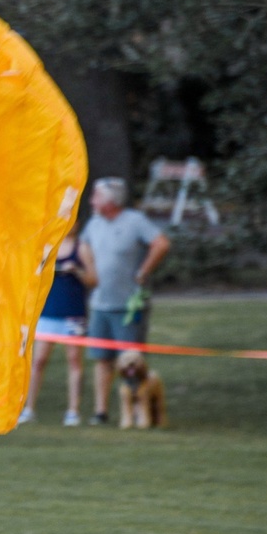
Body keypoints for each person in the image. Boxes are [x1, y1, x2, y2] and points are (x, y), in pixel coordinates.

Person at [80, 178, 170, 425]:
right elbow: (84, 244)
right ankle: (101, 412)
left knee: (132, 363)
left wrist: (143, 272)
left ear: (111, 201)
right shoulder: (94, 223)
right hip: (100, 304)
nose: (92, 201)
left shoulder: (134, 221)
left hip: (128, 306)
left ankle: (140, 412)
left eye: (96, 197)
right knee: (101, 358)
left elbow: (161, 243)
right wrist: (90, 269)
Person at [17, 227, 96, 427]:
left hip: (73, 314)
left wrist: (76, 271)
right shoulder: (48, 247)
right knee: (38, 361)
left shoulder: (82, 248)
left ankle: (73, 411)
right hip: (48, 313)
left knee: (74, 361)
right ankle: (28, 408)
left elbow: (93, 280)